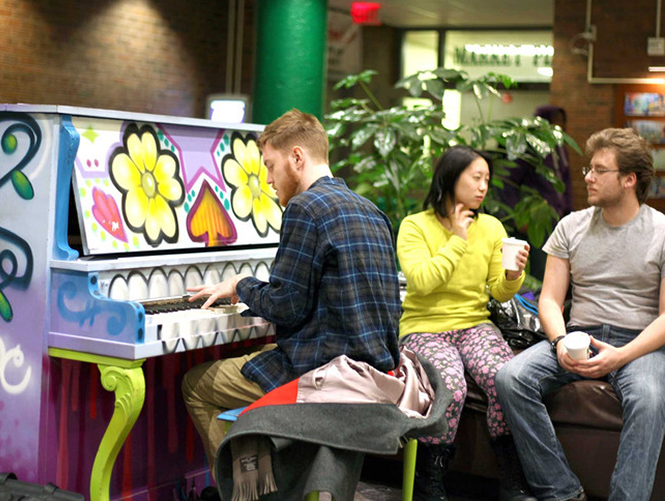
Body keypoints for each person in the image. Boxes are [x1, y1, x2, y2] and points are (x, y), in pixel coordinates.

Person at [181, 109, 402, 478]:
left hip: (326, 376)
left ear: (297, 157)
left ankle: (240, 490)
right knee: (261, 353)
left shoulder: (305, 208)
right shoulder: (373, 211)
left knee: (196, 384)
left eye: (270, 165)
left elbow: (285, 306)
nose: (267, 179)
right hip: (373, 373)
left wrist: (239, 285)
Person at [495, 128, 665, 501]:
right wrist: (558, 342)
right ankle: (563, 492)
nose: (587, 176)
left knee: (649, 398)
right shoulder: (570, 227)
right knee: (511, 378)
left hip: (641, 344)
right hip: (578, 336)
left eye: (599, 170)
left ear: (629, 180)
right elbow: (551, 301)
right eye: (589, 168)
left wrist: (621, 354)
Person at [396, 145, 535, 501]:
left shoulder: (490, 227)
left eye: (487, 179)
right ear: (450, 177)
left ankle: (511, 477)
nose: (483, 187)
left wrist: (513, 273)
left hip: (474, 324)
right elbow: (423, 281)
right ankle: (431, 480)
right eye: (476, 177)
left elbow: (499, 293)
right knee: (452, 385)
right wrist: (457, 239)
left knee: (505, 378)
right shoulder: (415, 226)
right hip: (424, 327)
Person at [499, 105, 573, 280]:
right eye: (554, 122)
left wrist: (569, 212)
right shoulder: (529, 146)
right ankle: (531, 304)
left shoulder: (560, 147)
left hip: (557, 217)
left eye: (562, 123)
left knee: (557, 267)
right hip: (535, 217)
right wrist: (516, 216)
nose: (558, 127)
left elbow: (566, 182)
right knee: (539, 268)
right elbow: (509, 182)